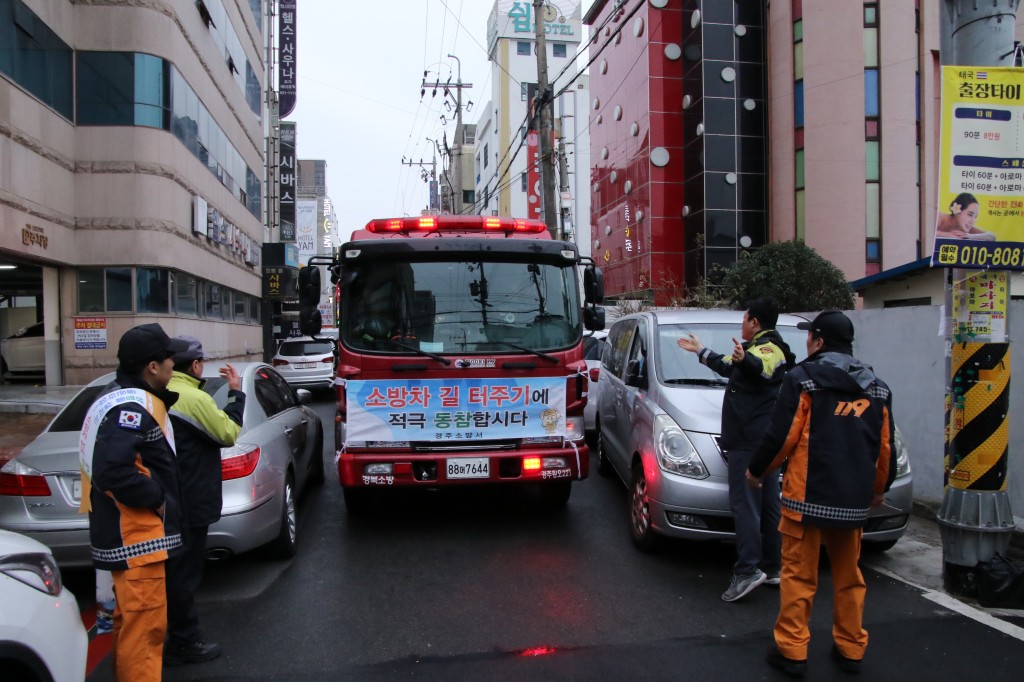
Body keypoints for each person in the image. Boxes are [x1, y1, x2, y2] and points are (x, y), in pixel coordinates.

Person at [746, 310, 896, 677]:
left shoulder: (804, 379)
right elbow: (885, 447)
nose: (807, 341)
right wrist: (879, 490)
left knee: (799, 575)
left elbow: (782, 436)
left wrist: (757, 471)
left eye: (809, 335)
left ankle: (793, 650)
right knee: (849, 576)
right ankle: (850, 648)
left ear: (819, 340)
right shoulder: (876, 387)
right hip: (852, 503)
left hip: (805, 499)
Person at [78, 323, 188, 681]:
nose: (175, 363)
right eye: (169, 357)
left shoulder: (122, 397)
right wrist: (157, 498)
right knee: (145, 629)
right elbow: (113, 472)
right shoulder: (130, 408)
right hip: (137, 540)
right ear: (152, 367)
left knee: (132, 625)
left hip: (133, 540)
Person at [676, 297, 795, 602]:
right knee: (768, 505)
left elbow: (760, 368)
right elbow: (729, 365)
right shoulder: (754, 348)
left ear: (755, 322)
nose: (742, 323)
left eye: (745, 318)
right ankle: (772, 565)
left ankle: (747, 571)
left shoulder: (769, 349)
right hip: (761, 440)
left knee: (746, 506)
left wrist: (746, 361)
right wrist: (701, 351)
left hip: (750, 441)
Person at [164, 336, 245, 666]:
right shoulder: (192, 397)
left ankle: (167, 633)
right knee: (184, 573)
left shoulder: (149, 392)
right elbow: (227, 433)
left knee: (170, 571)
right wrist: (236, 392)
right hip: (189, 497)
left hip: (167, 497)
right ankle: (184, 640)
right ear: (195, 366)